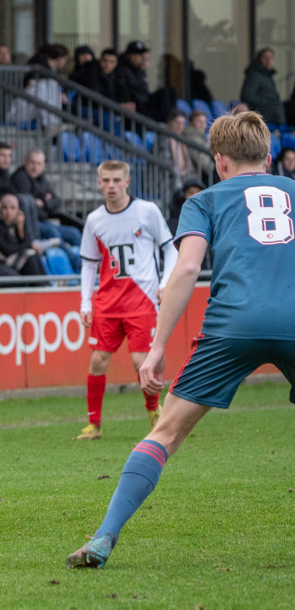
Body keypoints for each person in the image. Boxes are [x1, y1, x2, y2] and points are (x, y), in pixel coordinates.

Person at [67, 110, 295, 569]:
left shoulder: (205, 199)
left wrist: (156, 346)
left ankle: (104, 538)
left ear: (219, 162)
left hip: (233, 325)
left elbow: (187, 268)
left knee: (166, 432)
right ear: (269, 157)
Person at [73, 160, 178, 441]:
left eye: (116, 180)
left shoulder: (147, 211)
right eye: (106, 180)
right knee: (97, 361)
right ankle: (94, 424)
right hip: (107, 302)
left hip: (141, 301)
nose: (111, 186)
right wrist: (86, 303)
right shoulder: (94, 219)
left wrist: (166, 283)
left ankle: (154, 410)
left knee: (140, 361)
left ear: (127, 182)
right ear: (99, 183)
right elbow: (88, 265)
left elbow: (171, 249)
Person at [11, 149, 81, 245]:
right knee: (53, 233)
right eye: (32, 162)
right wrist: (46, 201)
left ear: (43, 166)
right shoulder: (19, 177)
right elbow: (31, 206)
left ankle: (85, 259)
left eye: (39, 164)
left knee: (74, 233)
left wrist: (43, 202)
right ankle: (75, 260)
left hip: (44, 221)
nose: (35, 167)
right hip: (32, 224)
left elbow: (57, 201)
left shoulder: (42, 179)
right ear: (25, 162)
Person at [0, 194, 47, 277]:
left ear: (18, 210)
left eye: (12, 208)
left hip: (17, 256)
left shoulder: (18, 222)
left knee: (34, 256)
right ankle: (41, 286)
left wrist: (20, 227)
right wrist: (28, 246)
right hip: (3, 260)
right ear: (0, 209)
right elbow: (6, 249)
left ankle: (46, 285)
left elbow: (26, 240)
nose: (9, 212)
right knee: (30, 258)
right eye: (5, 208)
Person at [241, 48, 285, 126]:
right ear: (259, 59)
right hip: (262, 120)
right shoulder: (254, 76)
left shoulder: (268, 77)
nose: (269, 61)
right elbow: (247, 96)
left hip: (273, 119)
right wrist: (267, 103)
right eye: (266, 58)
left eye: (271, 58)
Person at [115, 41, 151, 114]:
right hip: (135, 106)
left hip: (143, 103)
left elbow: (145, 90)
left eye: (140, 55)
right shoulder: (121, 69)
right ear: (128, 55)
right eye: (135, 55)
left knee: (168, 94)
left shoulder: (139, 70)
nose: (138, 58)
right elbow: (124, 91)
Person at [164, 109, 193, 185]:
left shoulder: (182, 140)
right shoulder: (164, 139)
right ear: (169, 122)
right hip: (167, 181)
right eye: (177, 123)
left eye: (183, 123)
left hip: (182, 179)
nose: (180, 126)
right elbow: (165, 163)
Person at [183, 110, 214, 178]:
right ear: (190, 123)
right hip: (197, 176)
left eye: (204, 122)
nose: (202, 124)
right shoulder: (191, 136)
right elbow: (205, 165)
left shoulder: (201, 137)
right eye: (198, 121)